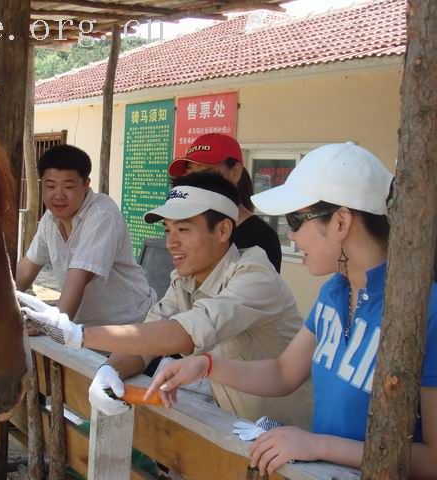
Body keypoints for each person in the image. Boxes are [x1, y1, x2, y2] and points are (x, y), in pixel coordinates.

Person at [145, 143, 437, 476]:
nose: (292, 236)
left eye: (296, 220)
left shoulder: (423, 311)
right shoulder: (334, 292)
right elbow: (285, 373)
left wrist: (319, 444)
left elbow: (432, 459)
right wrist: (205, 365)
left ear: (341, 222)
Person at [22, 171, 312, 428]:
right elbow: (146, 341)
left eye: (183, 229)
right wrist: (110, 369)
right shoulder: (184, 280)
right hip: (237, 429)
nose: (171, 242)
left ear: (223, 230)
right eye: (168, 230)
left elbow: (182, 334)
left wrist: (78, 335)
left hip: (295, 442)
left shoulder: (255, 274)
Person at [16, 144, 156, 326]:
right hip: (86, 329)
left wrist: (52, 326)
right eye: (50, 186)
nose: (58, 195)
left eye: (68, 186)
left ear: (86, 184)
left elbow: (79, 277)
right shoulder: (49, 219)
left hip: (130, 325)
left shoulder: (102, 214)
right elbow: (26, 269)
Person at [169, 133, 282, 272]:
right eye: (190, 173)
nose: (194, 182)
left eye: (205, 173)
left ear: (235, 172)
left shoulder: (262, 237)